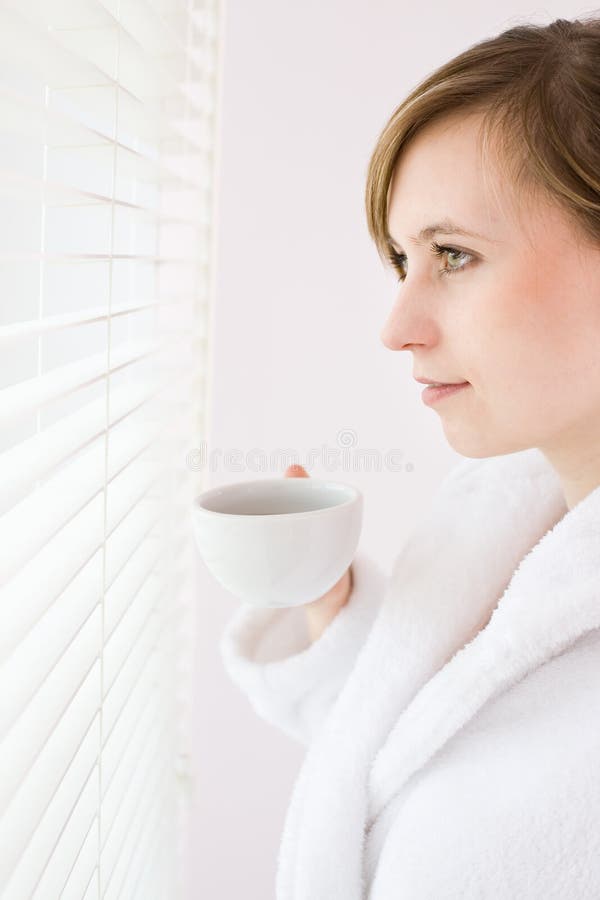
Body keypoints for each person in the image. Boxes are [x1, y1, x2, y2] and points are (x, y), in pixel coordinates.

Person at [219, 15, 600, 899]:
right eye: (402, 260)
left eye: (455, 255)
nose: (397, 328)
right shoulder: (517, 526)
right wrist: (339, 612)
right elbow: (435, 762)